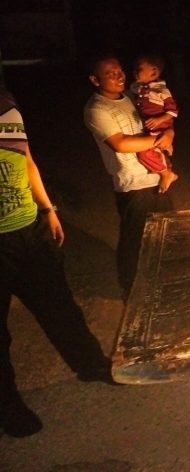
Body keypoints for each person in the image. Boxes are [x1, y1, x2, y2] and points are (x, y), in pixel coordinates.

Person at [1, 87, 113, 438]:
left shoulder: (7, 107)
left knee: (61, 308)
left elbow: (26, 160)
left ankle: (92, 366)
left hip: (29, 229)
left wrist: (48, 209)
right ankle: (8, 405)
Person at [84, 54, 174, 297]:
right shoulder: (96, 109)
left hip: (156, 176)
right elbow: (121, 144)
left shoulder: (131, 97)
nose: (119, 76)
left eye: (120, 71)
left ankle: (164, 281)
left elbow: (160, 116)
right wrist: (159, 140)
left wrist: (169, 132)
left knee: (167, 234)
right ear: (95, 80)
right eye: (110, 74)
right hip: (133, 185)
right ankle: (131, 289)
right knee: (135, 241)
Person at [130, 53, 179, 193]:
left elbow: (172, 111)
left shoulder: (162, 91)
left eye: (139, 68)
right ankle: (163, 166)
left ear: (154, 72)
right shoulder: (139, 87)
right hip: (150, 129)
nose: (135, 71)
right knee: (151, 153)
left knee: (144, 154)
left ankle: (166, 173)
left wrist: (159, 120)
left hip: (159, 130)